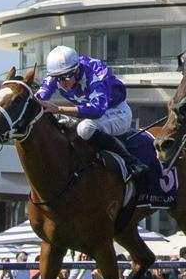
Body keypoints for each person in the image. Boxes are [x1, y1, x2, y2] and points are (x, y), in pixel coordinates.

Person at [36, 45, 148, 180]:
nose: (62, 82)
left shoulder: (95, 73)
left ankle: (132, 162)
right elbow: (38, 99)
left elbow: (96, 110)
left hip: (117, 112)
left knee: (85, 128)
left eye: (66, 77)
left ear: (76, 70)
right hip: (89, 115)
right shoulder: (59, 73)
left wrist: (59, 109)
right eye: (57, 78)